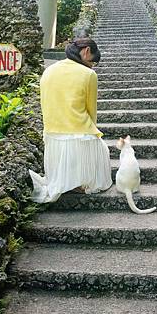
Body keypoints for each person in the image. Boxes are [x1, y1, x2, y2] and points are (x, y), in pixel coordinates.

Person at [29, 37, 113, 203]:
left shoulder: (49, 70)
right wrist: (94, 133)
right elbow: (91, 111)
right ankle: (79, 182)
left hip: (52, 133)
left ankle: (68, 180)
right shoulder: (89, 74)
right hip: (80, 132)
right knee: (102, 150)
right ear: (87, 51)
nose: (92, 65)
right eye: (93, 62)